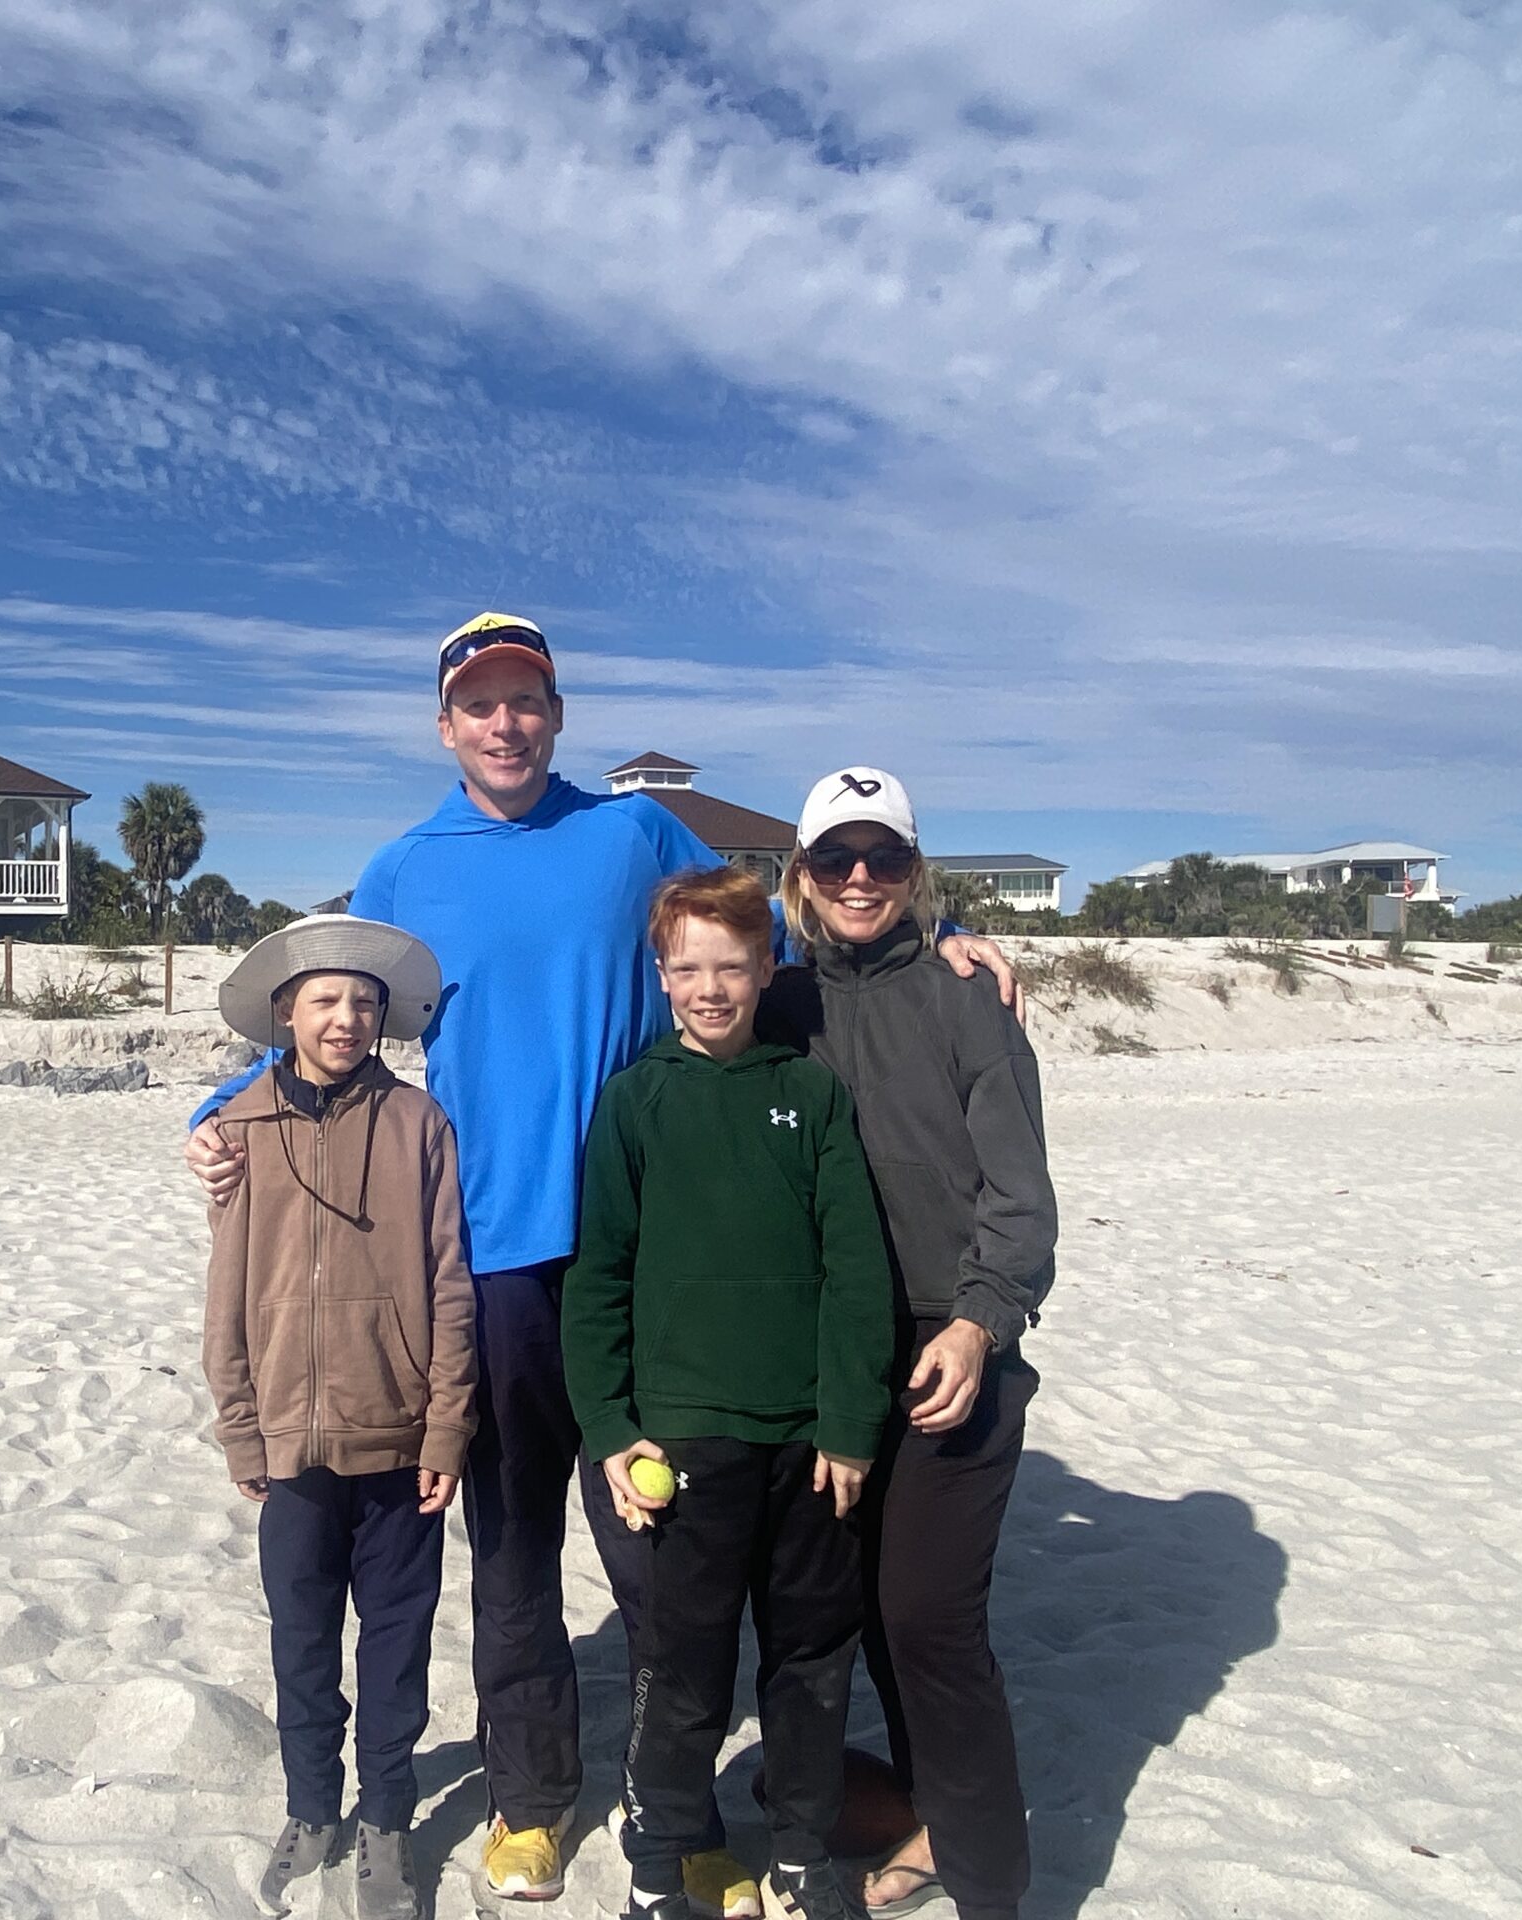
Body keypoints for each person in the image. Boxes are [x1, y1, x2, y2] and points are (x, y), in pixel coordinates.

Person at [189, 613, 1018, 1911]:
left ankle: (673, 1812)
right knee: (512, 1548)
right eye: (480, 705)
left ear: (555, 715)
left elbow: (779, 922)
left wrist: (944, 930)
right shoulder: (405, 866)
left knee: (666, 1561)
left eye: (526, 700)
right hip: (494, 1260)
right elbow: (329, 1006)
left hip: (657, 1255)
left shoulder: (632, 834)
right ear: (446, 726)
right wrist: (220, 1111)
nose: (505, 724)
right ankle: (530, 1798)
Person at [563, 864, 895, 1920]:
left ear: (767, 968)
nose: (711, 989)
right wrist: (611, 1428)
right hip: (685, 1438)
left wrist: (850, 1424)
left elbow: (856, 1273)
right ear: (661, 975)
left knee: (809, 1661)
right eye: (689, 969)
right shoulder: (636, 1100)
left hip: (810, 1445)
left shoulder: (812, 1093)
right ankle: (659, 1863)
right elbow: (599, 1277)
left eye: (733, 967)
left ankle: (800, 1853)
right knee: (684, 1666)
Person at [759, 768, 1058, 1920]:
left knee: (931, 1618)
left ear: (915, 871)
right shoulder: (777, 1005)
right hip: (825, 1357)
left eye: (884, 857)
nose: (860, 879)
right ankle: (929, 1815)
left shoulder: (965, 1000)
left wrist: (981, 1323)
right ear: (800, 876)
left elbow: (1020, 1203)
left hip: (952, 1345)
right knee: (860, 1612)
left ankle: (990, 1886)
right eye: (835, 858)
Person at [201, 913, 477, 1920]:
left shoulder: (418, 1124)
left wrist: (446, 1426)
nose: (345, 1018)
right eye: (324, 999)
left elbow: (450, 1283)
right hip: (289, 1443)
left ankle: (387, 1818)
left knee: (396, 1648)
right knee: (302, 1643)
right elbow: (226, 1292)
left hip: (399, 1439)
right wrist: (241, 1424)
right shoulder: (239, 1132)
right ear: (286, 1012)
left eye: (363, 1002)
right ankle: (312, 1806)